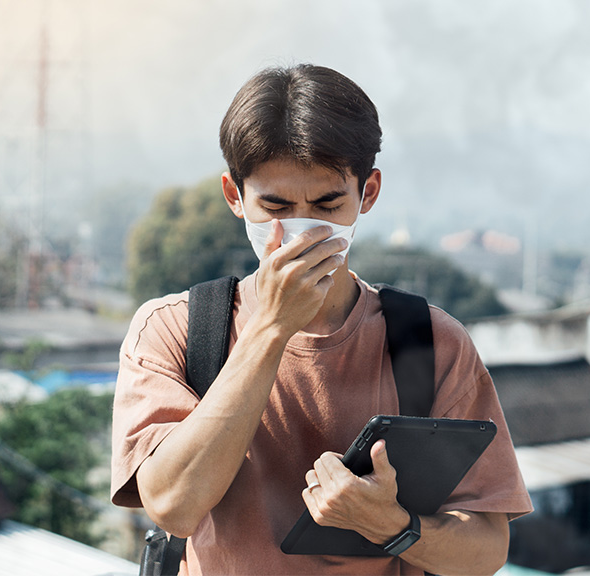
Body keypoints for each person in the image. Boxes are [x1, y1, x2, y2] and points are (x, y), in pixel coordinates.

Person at [111, 63, 532, 575]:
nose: (301, 229)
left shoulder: (430, 342)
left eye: (328, 204)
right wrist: (269, 330)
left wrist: (393, 525)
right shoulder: (174, 330)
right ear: (234, 197)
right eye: (276, 205)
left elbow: (486, 549)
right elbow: (173, 505)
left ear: (368, 194)